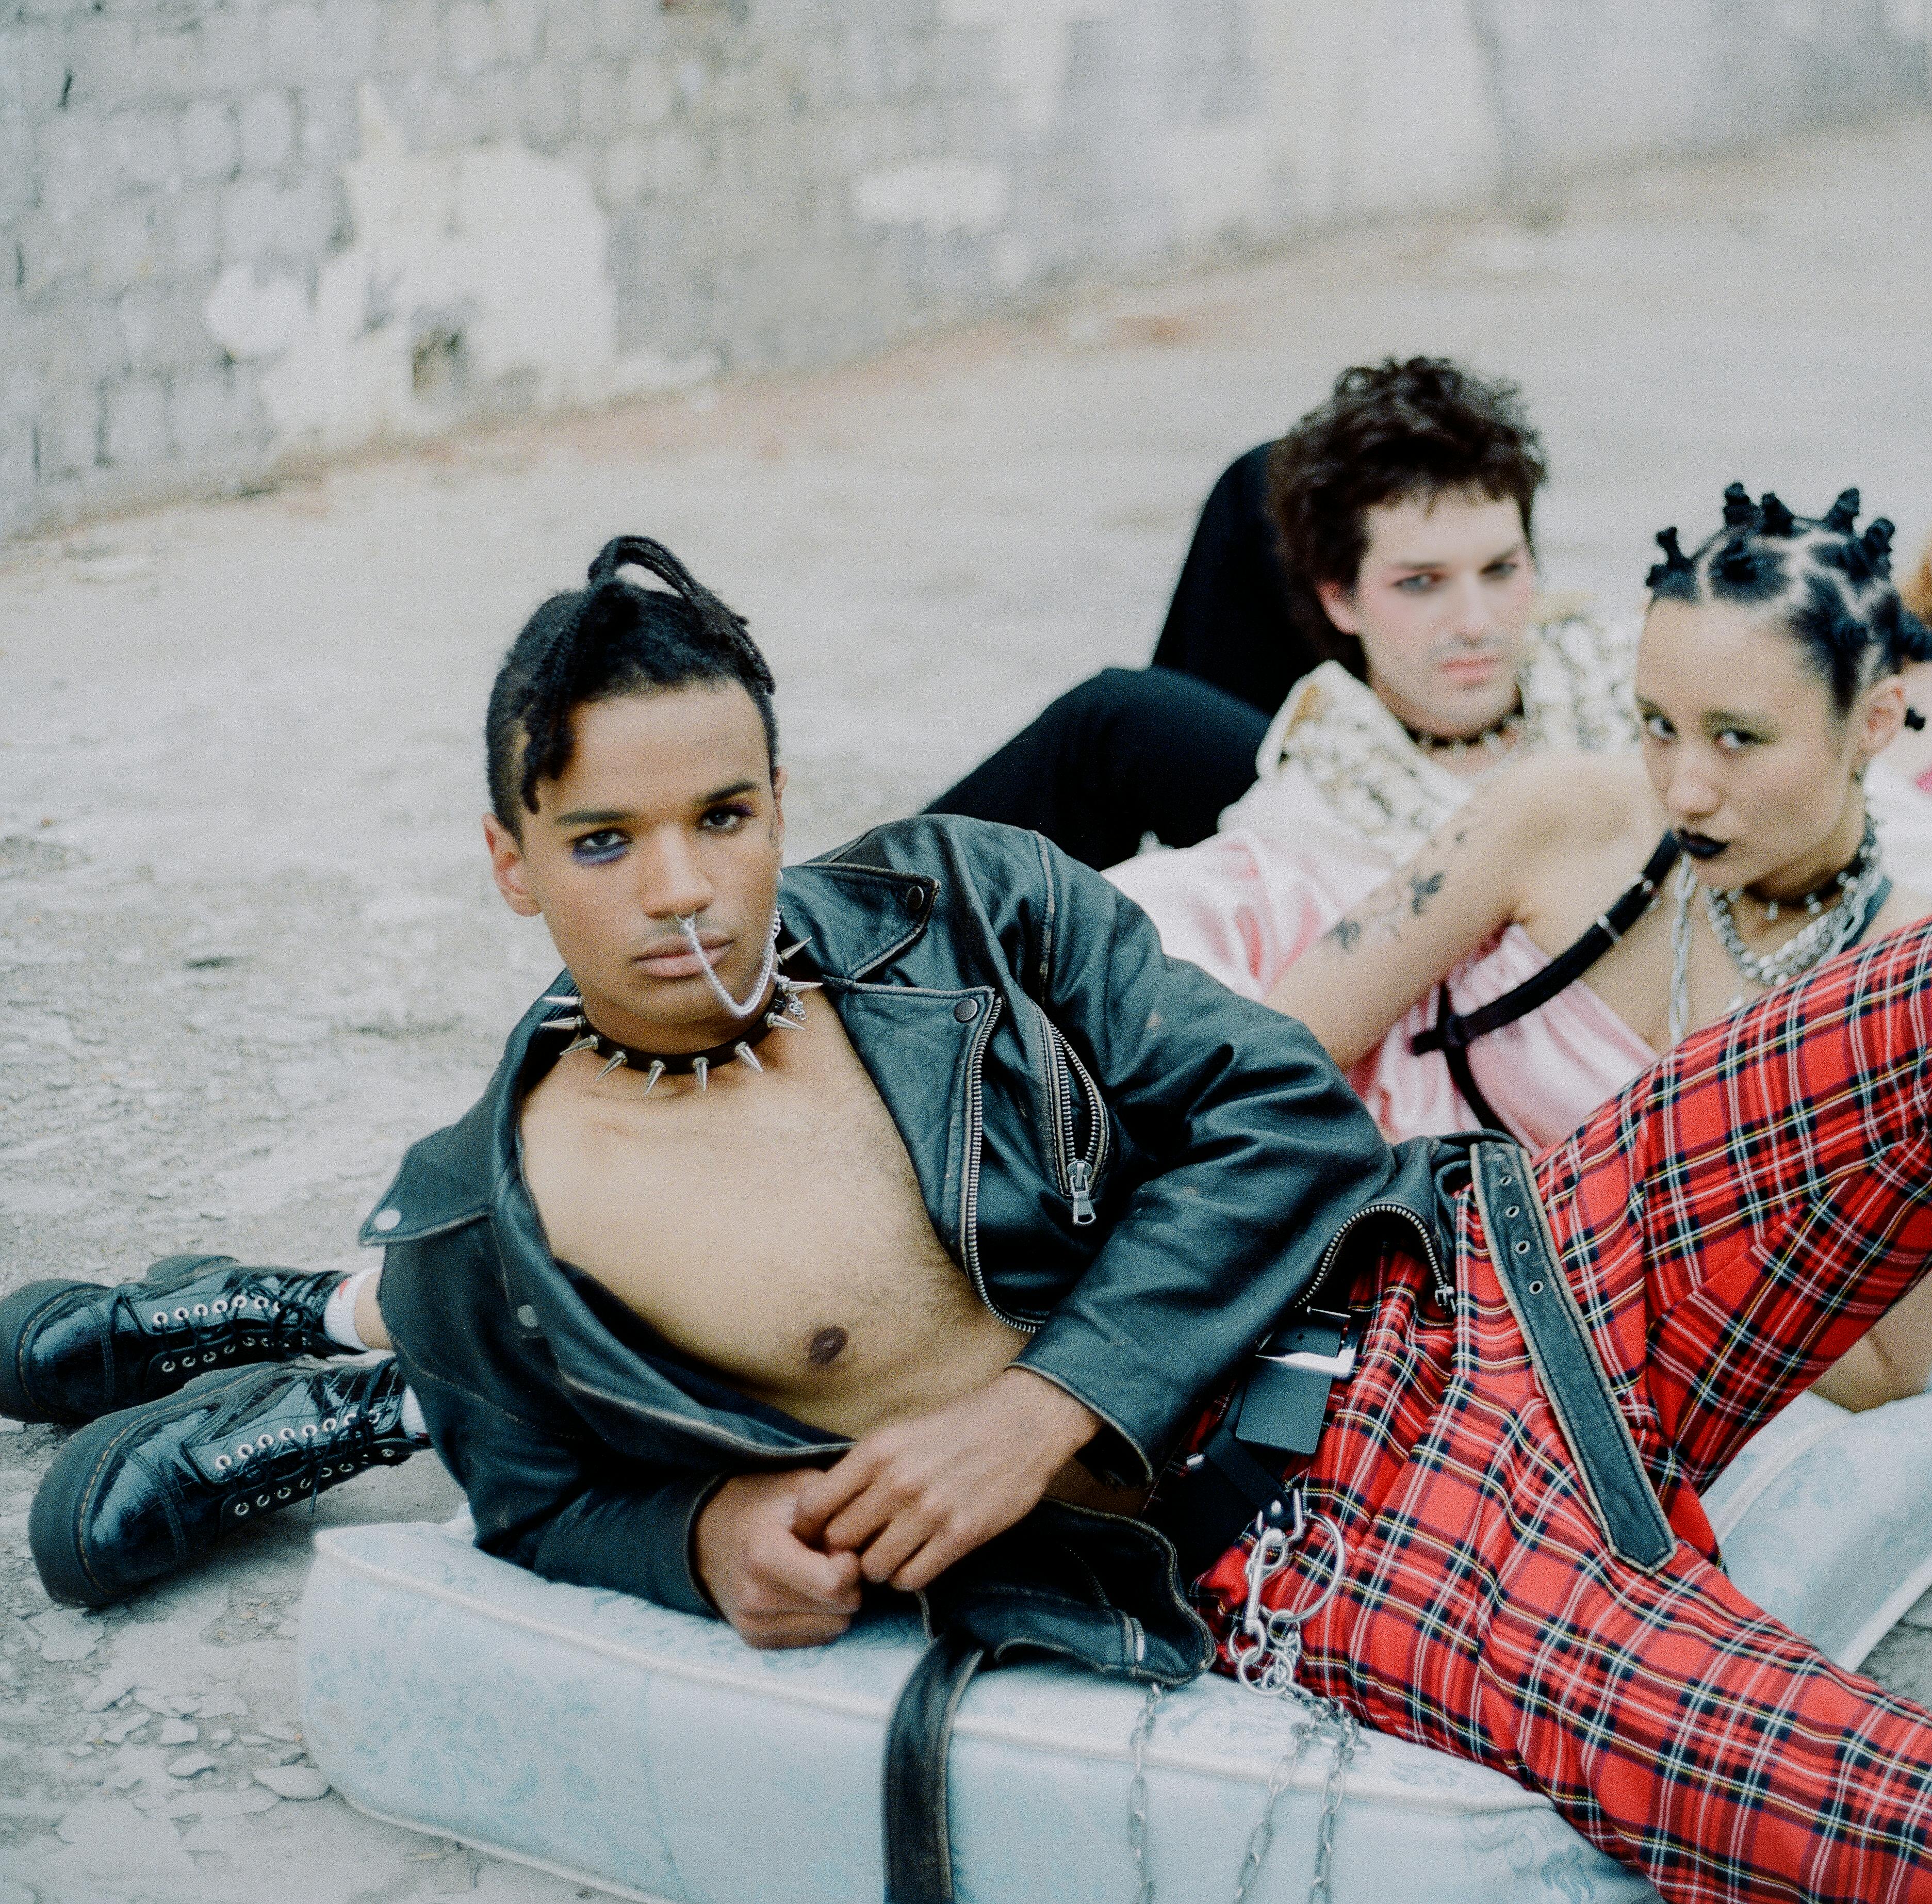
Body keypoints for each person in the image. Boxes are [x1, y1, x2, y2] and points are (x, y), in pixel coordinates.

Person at [9, 535, 1932, 1902]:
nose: (682, 889)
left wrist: (1048, 1399)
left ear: (781, 798)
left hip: (1486, 1266)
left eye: (726, 817)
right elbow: (538, 1496)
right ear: (509, 861)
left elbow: (1281, 1111)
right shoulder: (482, 1237)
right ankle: (227, 1345)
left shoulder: (961, 902)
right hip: (1325, 1536)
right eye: (604, 843)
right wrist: (697, 1533)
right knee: (1855, 1800)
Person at [1264, 483, 1932, 1412]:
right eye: (1657, 725)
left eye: (1736, 739)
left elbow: (1895, 1376)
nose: (1685, 790)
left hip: (1608, 1403)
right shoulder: (1559, 812)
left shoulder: (1900, 990)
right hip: (1352, 1229)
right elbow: (1280, 1049)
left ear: (1874, 721)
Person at [924, 357, 1614, 868]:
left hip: (1402, 851)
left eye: (1500, 568)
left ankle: (835, 924)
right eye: (1422, 582)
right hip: (1367, 752)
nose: (1476, 622)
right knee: (1262, 484)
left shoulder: (1620, 694)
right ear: (1336, 597)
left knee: (1120, 719)